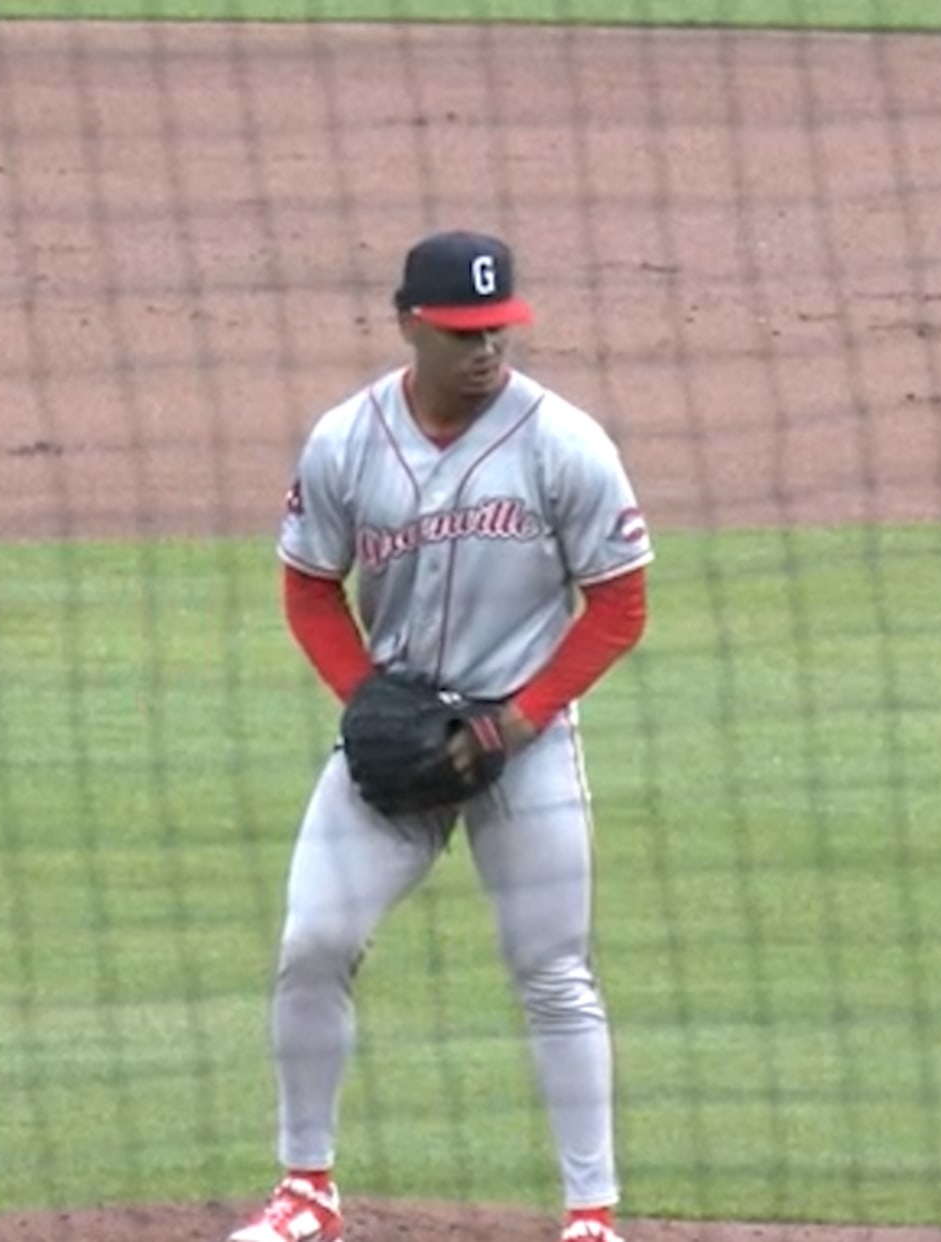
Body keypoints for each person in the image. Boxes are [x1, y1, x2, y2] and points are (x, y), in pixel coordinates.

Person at [231, 230, 655, 1242]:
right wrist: (371, 706)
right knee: (313, 943)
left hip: (525, 745)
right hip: (395, 746)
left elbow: (619, 605)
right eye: (463, 332)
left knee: (554, 972)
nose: (486, 349)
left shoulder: (565, 443)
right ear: (409, 324)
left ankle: (592, 1216)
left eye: (498, 328)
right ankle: (305, 1191)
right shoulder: (347, 440)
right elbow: (308, 583)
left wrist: (514, 723)